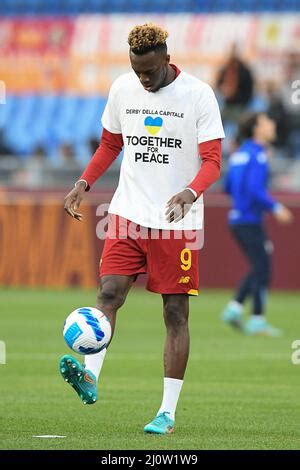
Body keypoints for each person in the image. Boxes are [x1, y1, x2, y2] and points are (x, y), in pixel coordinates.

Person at [60, 23, 224, 435]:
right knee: (109, 293)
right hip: (127, 213)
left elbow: (212, 161)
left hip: (175, 222)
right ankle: (90, 376)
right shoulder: (123, 89)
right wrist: (83, 183)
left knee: (174, 312)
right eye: (137, 71)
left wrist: (190, 192)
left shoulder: (199, 95)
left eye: (149, 72)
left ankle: (167, 412)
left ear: (167, 60)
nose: (143, 80)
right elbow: (110, 144)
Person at [221, 112, 293, 336]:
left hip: (237, 218)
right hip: (249, 220)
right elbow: (255, 189)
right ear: (257, 128)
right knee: (263, 268)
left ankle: (242, 312)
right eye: (267, 121)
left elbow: (228, 187)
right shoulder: (258, 155)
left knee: (260, 266)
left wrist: (242, 204)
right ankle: (250, 316)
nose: (272, 124)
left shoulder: (239, 154)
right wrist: (275, 207)